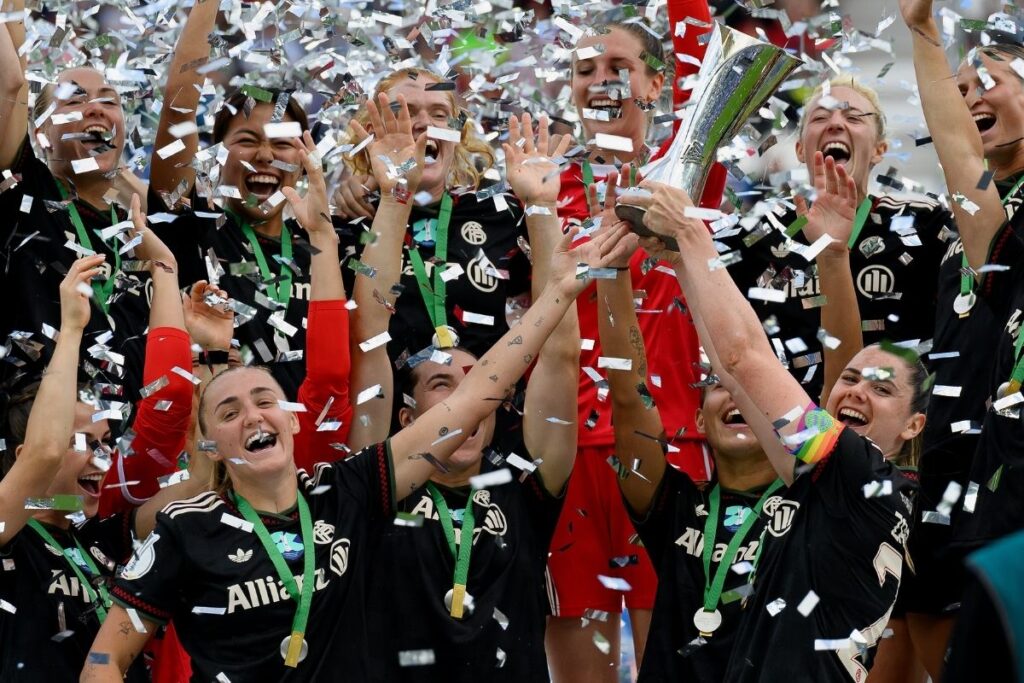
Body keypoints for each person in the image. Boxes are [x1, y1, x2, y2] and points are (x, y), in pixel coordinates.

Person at [80, 129, 630, 682]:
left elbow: (481, 389)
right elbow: (104, 658)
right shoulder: (191, 525)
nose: (253, 416)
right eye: (229, 414)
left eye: (267, 400)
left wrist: (555, 280)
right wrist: (208, 344)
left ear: (293, 423)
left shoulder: (345, 493)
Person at [618, 180, 917, 680]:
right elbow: (734, 374)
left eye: (882, 389)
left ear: (914, 425)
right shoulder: (841, 486)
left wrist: (693, 235)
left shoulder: (866, 481)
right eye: (847, 377)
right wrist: (680, 261)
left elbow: (745, 357)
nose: (856, 393)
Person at [346, 101, 582, 680]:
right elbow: (370, 341)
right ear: (403, 418)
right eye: (442, 386)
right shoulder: (372, 487)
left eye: (480, 386)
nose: (465, 402)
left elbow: (558, 352)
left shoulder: (527, 486)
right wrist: (397, 198)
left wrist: (543, 209)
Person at [546, 9, 725, 677]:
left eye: (618, 67)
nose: (600, 81)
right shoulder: (544, 185)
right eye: (584, 69)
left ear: (656, 83)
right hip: (569, 459)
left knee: (673, 662)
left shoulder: (688, 171)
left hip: (668, 448)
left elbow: (710, 62)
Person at [0, 200, 205, 680]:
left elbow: (199, 466)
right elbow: (47, 452)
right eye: (85, 442)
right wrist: (71, 329)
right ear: (24, 455)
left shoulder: (106, 535)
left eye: (104, 440)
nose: (103, 456)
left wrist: (166, 272)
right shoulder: (8, 536)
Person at [899, 1, 1024, 677]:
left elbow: (962, 168)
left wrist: (921, 35)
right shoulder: (953, 244)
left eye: (986, 80)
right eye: (961, 85)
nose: (967, 94)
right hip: (955, 469)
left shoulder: (998, 216)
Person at [142, 0, 352, 401]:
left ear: (305, 155)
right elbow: (179, 104)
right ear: (216, 155)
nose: (265, 156)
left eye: (282, 144)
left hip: (314, 444)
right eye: (247, 140)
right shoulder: (193, 227)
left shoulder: (332, 247)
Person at [719, 75, 951, 402]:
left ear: (880, 150)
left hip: (887, 441)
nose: (835, 124)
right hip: (783, 433)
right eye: (820, 117)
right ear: (800, 149)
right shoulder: (757, 230)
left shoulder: (925, 223)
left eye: (853, 117)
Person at [338, 67, 531, 379]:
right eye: (405, 112)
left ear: (457, 134)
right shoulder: (347, 226)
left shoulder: (501, 214)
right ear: (372, 132)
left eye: (439, 114)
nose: (424, 124)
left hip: (488, 419)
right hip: (384, 421)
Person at [0, 0, 150, 398]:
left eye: (109, 100)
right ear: (40, 132)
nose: (96, 108)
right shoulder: (24, 193)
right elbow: (11, 83)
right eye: (75, 100)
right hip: (48, 435)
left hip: (137, 448)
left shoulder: (141, 231)